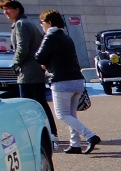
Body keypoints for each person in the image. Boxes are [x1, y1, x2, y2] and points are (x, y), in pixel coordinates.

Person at [35, 10, 101, 155]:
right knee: (71, 114)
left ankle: (90, 136)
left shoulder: (50, 36)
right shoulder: (67, 37)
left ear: (49, 23)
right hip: (77, 80)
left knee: (62, 114)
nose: (41, 26)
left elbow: (39, 57)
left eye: (42, 23)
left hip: (61, 81)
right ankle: (75, 144)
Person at [1, 0, 59, 147]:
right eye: (4, 9)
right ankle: (51, 132)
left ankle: (37, 134)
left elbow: (22, 47)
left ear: (17, 9)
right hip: (35, 69)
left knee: (27, 104)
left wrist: (15, 63)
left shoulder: (21, 24)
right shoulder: (27, 23)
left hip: (28, 71)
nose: (5, 12)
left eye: (8, 9)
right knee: (40, 102)